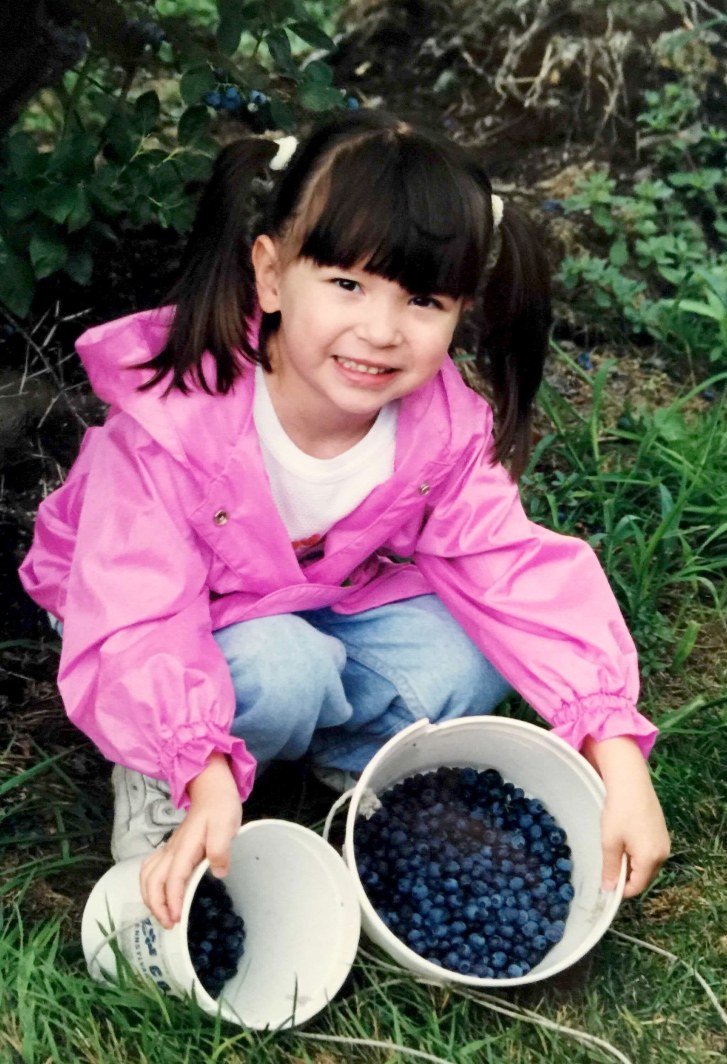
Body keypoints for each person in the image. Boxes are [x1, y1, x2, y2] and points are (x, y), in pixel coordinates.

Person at [19, 109, 670, 931]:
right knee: (280, 664)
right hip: (160, 620)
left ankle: (343, 763)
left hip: (308, 590)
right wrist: (201, 765)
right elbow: (136, 615)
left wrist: (614, 748)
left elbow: (511, 571)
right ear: (271, 275)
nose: (380, 331)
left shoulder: (440, 430)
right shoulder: (170, 429)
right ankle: (170, 769)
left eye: (422, 299)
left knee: (470, 645)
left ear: (458, 313)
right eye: (347, 284)